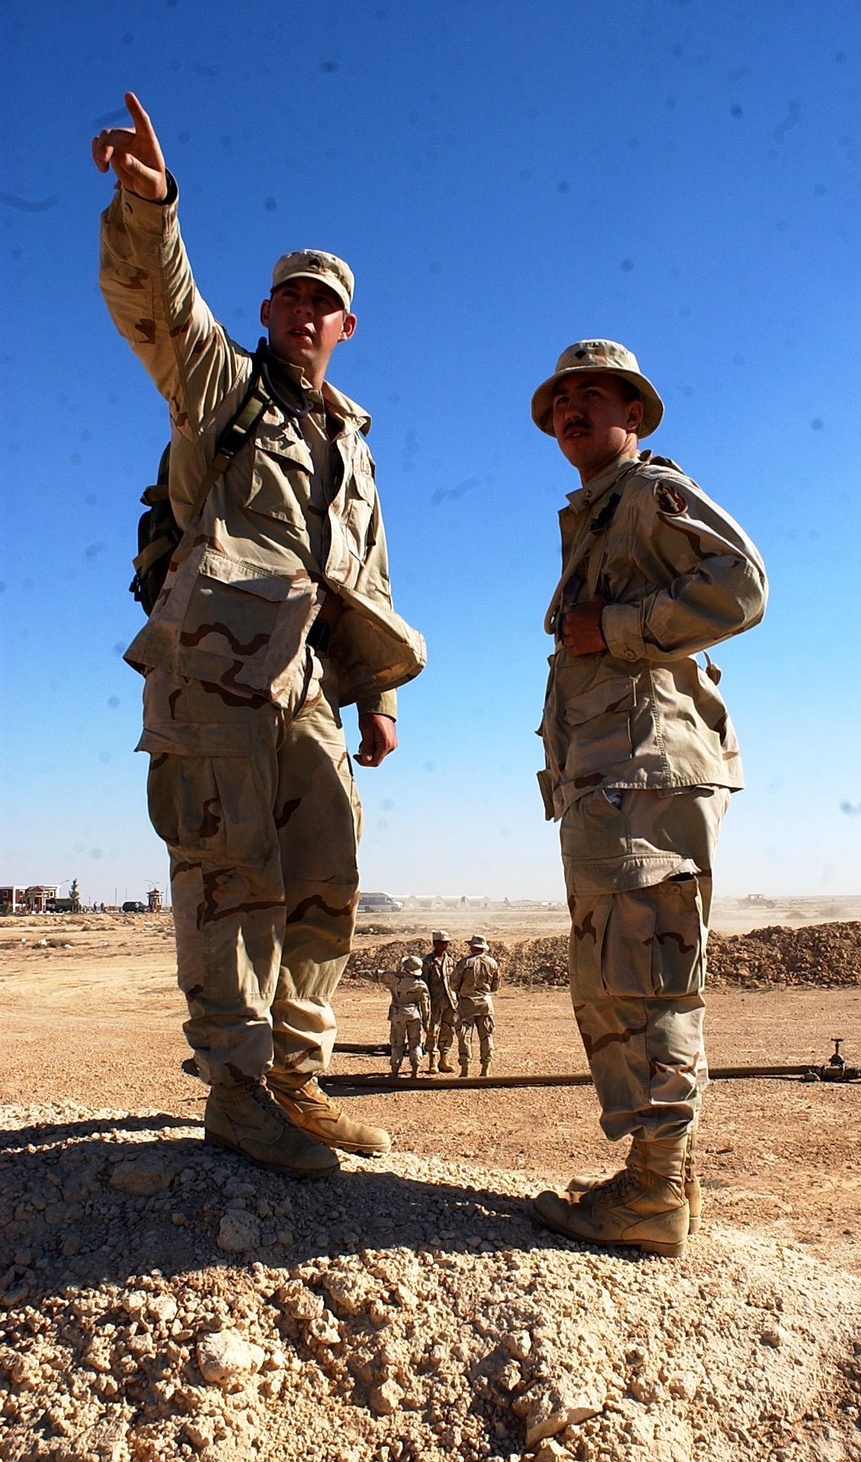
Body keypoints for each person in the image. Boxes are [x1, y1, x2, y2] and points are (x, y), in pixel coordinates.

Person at [92, 94, 425, 1179]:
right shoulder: (222, 387)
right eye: (286, 294)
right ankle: (235, 1090)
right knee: (230, 873)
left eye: (320, 301)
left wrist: (376, 695)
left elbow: (364, 574)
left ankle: (294, 1079)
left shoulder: (354, 447)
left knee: (327, 869)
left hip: (307, 684)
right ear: (268, 308)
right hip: (214, 674)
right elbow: (161, 308)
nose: (300, 310)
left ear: (345, 326)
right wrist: (152, 211)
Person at [528, 340, 767, 1256]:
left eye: (597, 397)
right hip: (611, 780)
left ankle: (657, 1193)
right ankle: (656, 1181)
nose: (576, 411)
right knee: (616, 977)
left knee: (648, 979)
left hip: (647, 777)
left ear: (635, 414)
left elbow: (743, 585)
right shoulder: (593, 514)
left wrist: (620, 628)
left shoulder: (646, 494)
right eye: (564, 402)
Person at [450, 936, 501, 1077]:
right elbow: (496, 986)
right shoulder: (492, 963)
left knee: (464, 1036)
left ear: (473, 947)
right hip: (485, 1004)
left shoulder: (464, 963)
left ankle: (465, 1069)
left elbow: (454, 984)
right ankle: (485, 1068)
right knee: (486, 1036)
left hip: (467, 1004)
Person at [377, 956, 429, 1079]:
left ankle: (395, 1071)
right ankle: (415, 1070)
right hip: (414, 1016)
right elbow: (425, 1007)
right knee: (415, 1043)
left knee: (397, 1043)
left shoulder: (394, 979)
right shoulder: (422, 985)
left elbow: (376, 975)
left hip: (398, 1015)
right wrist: (426, 1023)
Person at [420, 930, 458, 1073]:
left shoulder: (451, 961)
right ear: (435, 944)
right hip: (434, 1003)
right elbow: (423, 984)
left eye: (447, 942)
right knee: (432, 1032)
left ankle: (444, 1060)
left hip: (450, 1002)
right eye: (442, 943)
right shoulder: (427, 962)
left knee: (448, 1030)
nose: (445, 945)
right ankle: (432, 1062)